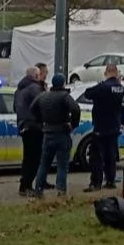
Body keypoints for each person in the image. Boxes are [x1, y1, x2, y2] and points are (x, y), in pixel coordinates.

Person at [30, 73, 81, 197]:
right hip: (62, 132)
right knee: (62, 165)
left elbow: (32, 108)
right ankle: (60, 190)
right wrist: (73, 124)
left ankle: (38, 189)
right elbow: (75, 109)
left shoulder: (43, 95)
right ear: (63, 83)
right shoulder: (64, 96)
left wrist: (40, 120)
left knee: (44, 164)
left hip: (47, 133)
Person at [81, 62, 124, 192]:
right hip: (114, 126)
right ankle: (111, 180)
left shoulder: (103, 87)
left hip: (101, 126)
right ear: (116, 72)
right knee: (110, 156)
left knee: (96, 156)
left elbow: (88, 93)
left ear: (106, 72)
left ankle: (96, 183)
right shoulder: (120, 87)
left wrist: (101, 83)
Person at [14, 62, 47, 196]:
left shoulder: (19, 90)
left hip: (23, 126)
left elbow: (15, 108)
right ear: (35, 76)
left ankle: (24, 185)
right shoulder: (34, 88)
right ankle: (27, 186)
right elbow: (43, 104)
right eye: (39, 75)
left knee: (27, 158)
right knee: (34, 158)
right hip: (34, 126)